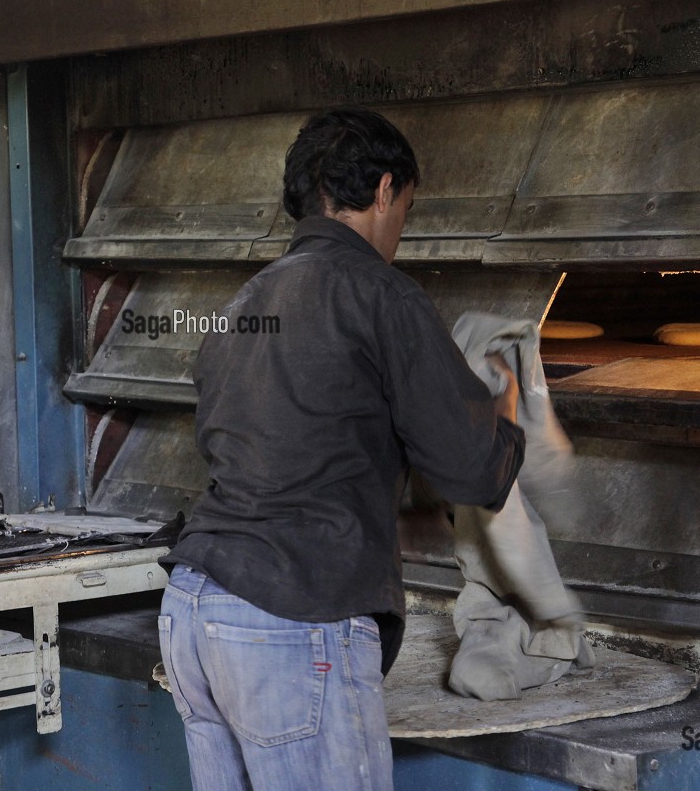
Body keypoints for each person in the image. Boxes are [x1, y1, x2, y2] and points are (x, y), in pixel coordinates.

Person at [158, 107, 525, 791]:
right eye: (406, 210)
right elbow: (470, 467)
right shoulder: (381, 294)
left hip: (195, 614)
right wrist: (504, 411)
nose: (399, 233)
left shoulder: (244, 302)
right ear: (384, 191)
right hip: (292, 621)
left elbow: (263, 447)